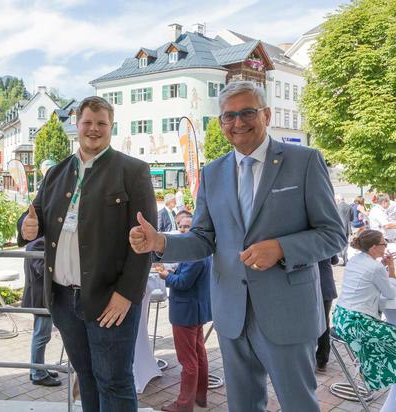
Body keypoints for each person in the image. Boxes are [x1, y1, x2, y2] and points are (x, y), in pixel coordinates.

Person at [128, 81, 346, 412]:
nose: (238, 122)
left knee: (299, 404)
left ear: (267, 114)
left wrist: (281, 248)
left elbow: (333, 234)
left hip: (287, 312)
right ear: (220, 123)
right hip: (231, 314)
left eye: (247, 112)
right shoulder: (213, 173)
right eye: (229, 116)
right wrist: (160, 242)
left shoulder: (304, 161)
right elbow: (203, 238)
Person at [17, 96, 157, 411]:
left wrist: (126, 294)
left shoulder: (133, 171)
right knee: (86, 376)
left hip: (111, 299)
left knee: (115, 382)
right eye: (87, 123)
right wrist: (26, 228)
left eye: (101, 124)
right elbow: (34, 217)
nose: (93, 130)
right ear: (77, 125)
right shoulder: (56, 173)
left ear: (111, 127)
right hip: (64, 300)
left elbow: (144, 243)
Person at [155, 211, 211, 412]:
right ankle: (200, 397)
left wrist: (165, 276)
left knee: (188, 360)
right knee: (199, 354)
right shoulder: (202, 248)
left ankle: (184, 404)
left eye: (187, 226)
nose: (184, 229)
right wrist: (172, 273)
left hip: (186, 312)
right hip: (196, 310)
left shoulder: (194, 252)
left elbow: (184, 283)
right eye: (181, 226)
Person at [332, 230, 396, 394]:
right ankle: (370, 372)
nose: (386, 246)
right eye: (384, 243)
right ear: (374, 247)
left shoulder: (355, 260)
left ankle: (369, 369)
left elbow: (366, 279)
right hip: (356, 322)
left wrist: (383, 266)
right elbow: (390, 293)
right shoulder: (375, 267)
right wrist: (390, 267)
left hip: (340, 317)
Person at [22, 237, 61, 387]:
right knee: (41, 336)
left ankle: (37, 369)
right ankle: (38, 373)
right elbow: (42, 268)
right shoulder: (39, 242)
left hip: (40, 296)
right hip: (41, 297)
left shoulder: (37, 240)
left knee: (40, 335)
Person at [315, 255, 339, 372]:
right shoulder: (324, 240)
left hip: (313, 288)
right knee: (324, 323)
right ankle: (321, 361)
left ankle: (318, 359)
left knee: (314, 324)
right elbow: (335, 260)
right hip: (325, 287)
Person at [335, 195, 352, 265]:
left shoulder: (336, 207)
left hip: (338, 227)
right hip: (347, 228)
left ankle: (338, 259)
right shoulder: (349, 206)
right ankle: (345, 260)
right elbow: (352, 218)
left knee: (338, 243)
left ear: (339, 200)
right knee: (345, 244)